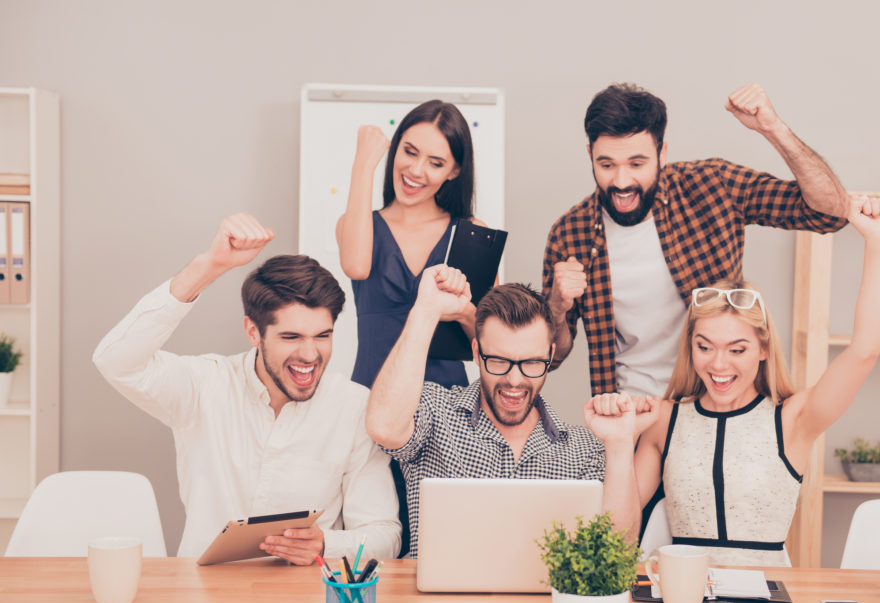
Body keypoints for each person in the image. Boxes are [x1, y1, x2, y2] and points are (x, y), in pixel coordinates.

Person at [93, 214, 401, 564]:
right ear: (253, 332)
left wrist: (325, 544)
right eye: (291, 337)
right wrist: (209, 265)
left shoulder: (354, 407)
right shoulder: (204, 386)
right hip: (202, 598)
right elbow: (115, 360)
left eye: (323, 336)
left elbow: (385, 535)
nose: (310, 354)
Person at [613, 196, 880, 567]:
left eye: (737, 349)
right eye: (705, 346)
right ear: (690, 347)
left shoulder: (794, 419)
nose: (718, 364)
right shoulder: (664, 420)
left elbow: (865, 350)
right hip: (683, 602)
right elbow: (617, 536)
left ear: (763, 349)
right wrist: (619, 441)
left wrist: (878, 242)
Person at [544, 82, 851, 398]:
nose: (622, 182)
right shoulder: (570, 233)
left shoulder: (712, 185)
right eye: (606, 165)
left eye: (637, 164)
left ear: (662, 153)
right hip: (634, 414)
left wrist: (773, 129)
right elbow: (551, 356)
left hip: (719, 404)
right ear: (589, 154)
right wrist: (556, 306)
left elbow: (831, 214)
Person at [365, 266, 655, 557]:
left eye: (531, 363)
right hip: (439, 602)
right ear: (477, 353)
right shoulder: (436, 413)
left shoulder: (583, 450)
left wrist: (619, 444)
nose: (515, 381)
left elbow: (617, 551)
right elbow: (384, 427)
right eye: (500, 361)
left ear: (550, 356)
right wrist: (426, 310)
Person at [336, 99, 480, 390]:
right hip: (369, 398)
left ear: (454, 171)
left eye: (435, 163)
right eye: (409, 152)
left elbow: (491, 344)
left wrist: (463, 310)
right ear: (396, 147)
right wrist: (363, 164)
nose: (415, 170)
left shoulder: (471, 234)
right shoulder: (358, 224)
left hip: (448, 409)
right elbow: (355, 266)